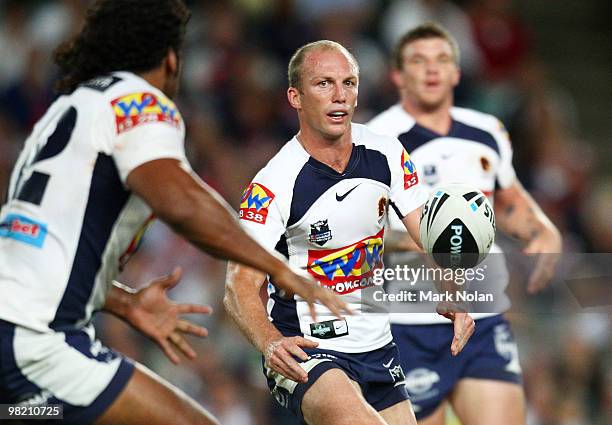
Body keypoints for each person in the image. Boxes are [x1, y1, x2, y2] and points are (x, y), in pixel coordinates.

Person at [0, 1, 348, 424]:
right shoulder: (139, 102)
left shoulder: (63, 113)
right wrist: (276, 266)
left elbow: (40, 249)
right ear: (169, 59)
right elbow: (181, 202)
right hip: (35, 338)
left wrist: (124, 304)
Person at [223, 40, 476, 425]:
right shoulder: (273, 185)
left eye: (349, 82)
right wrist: (269, 341)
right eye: (323, 84)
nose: (339, 95)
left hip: (377, 346)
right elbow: (237, 285)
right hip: (310, 350)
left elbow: (425, 233)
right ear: (295, 97)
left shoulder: (387, 154)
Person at [366, 23, 562, 425]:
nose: (432, 70)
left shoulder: (487, 130)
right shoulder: (376, 140)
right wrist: (432, 241)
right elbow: (362, 230)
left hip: (483, 314)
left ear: (457, 72)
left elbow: (507, 203)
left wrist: (543, 229)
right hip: (407, 322)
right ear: (398, 76)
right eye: (418, 61)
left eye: (442, 60)